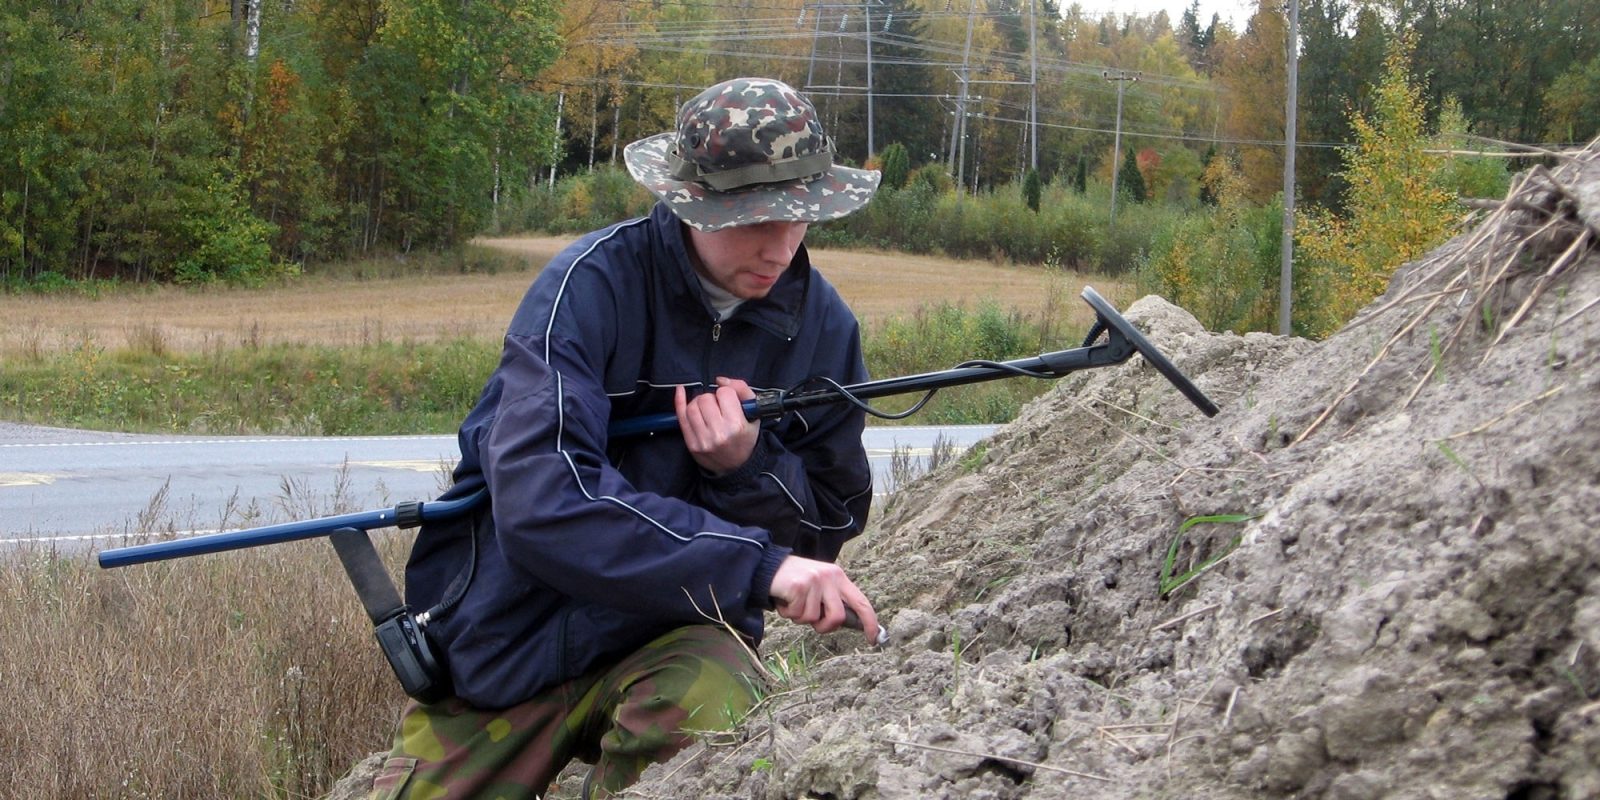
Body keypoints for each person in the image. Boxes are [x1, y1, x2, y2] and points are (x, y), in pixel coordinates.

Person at [368, 77, 884, 800]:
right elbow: (540, 501)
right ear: (688, 203)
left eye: (799, 215)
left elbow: (828, 522)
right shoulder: (587, 288)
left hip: (681, 636)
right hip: (514, 638)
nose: (780, 244)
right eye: (751, 217)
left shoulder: (826, 331)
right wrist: (755, 567)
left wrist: (748, 467)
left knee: (709, 707)